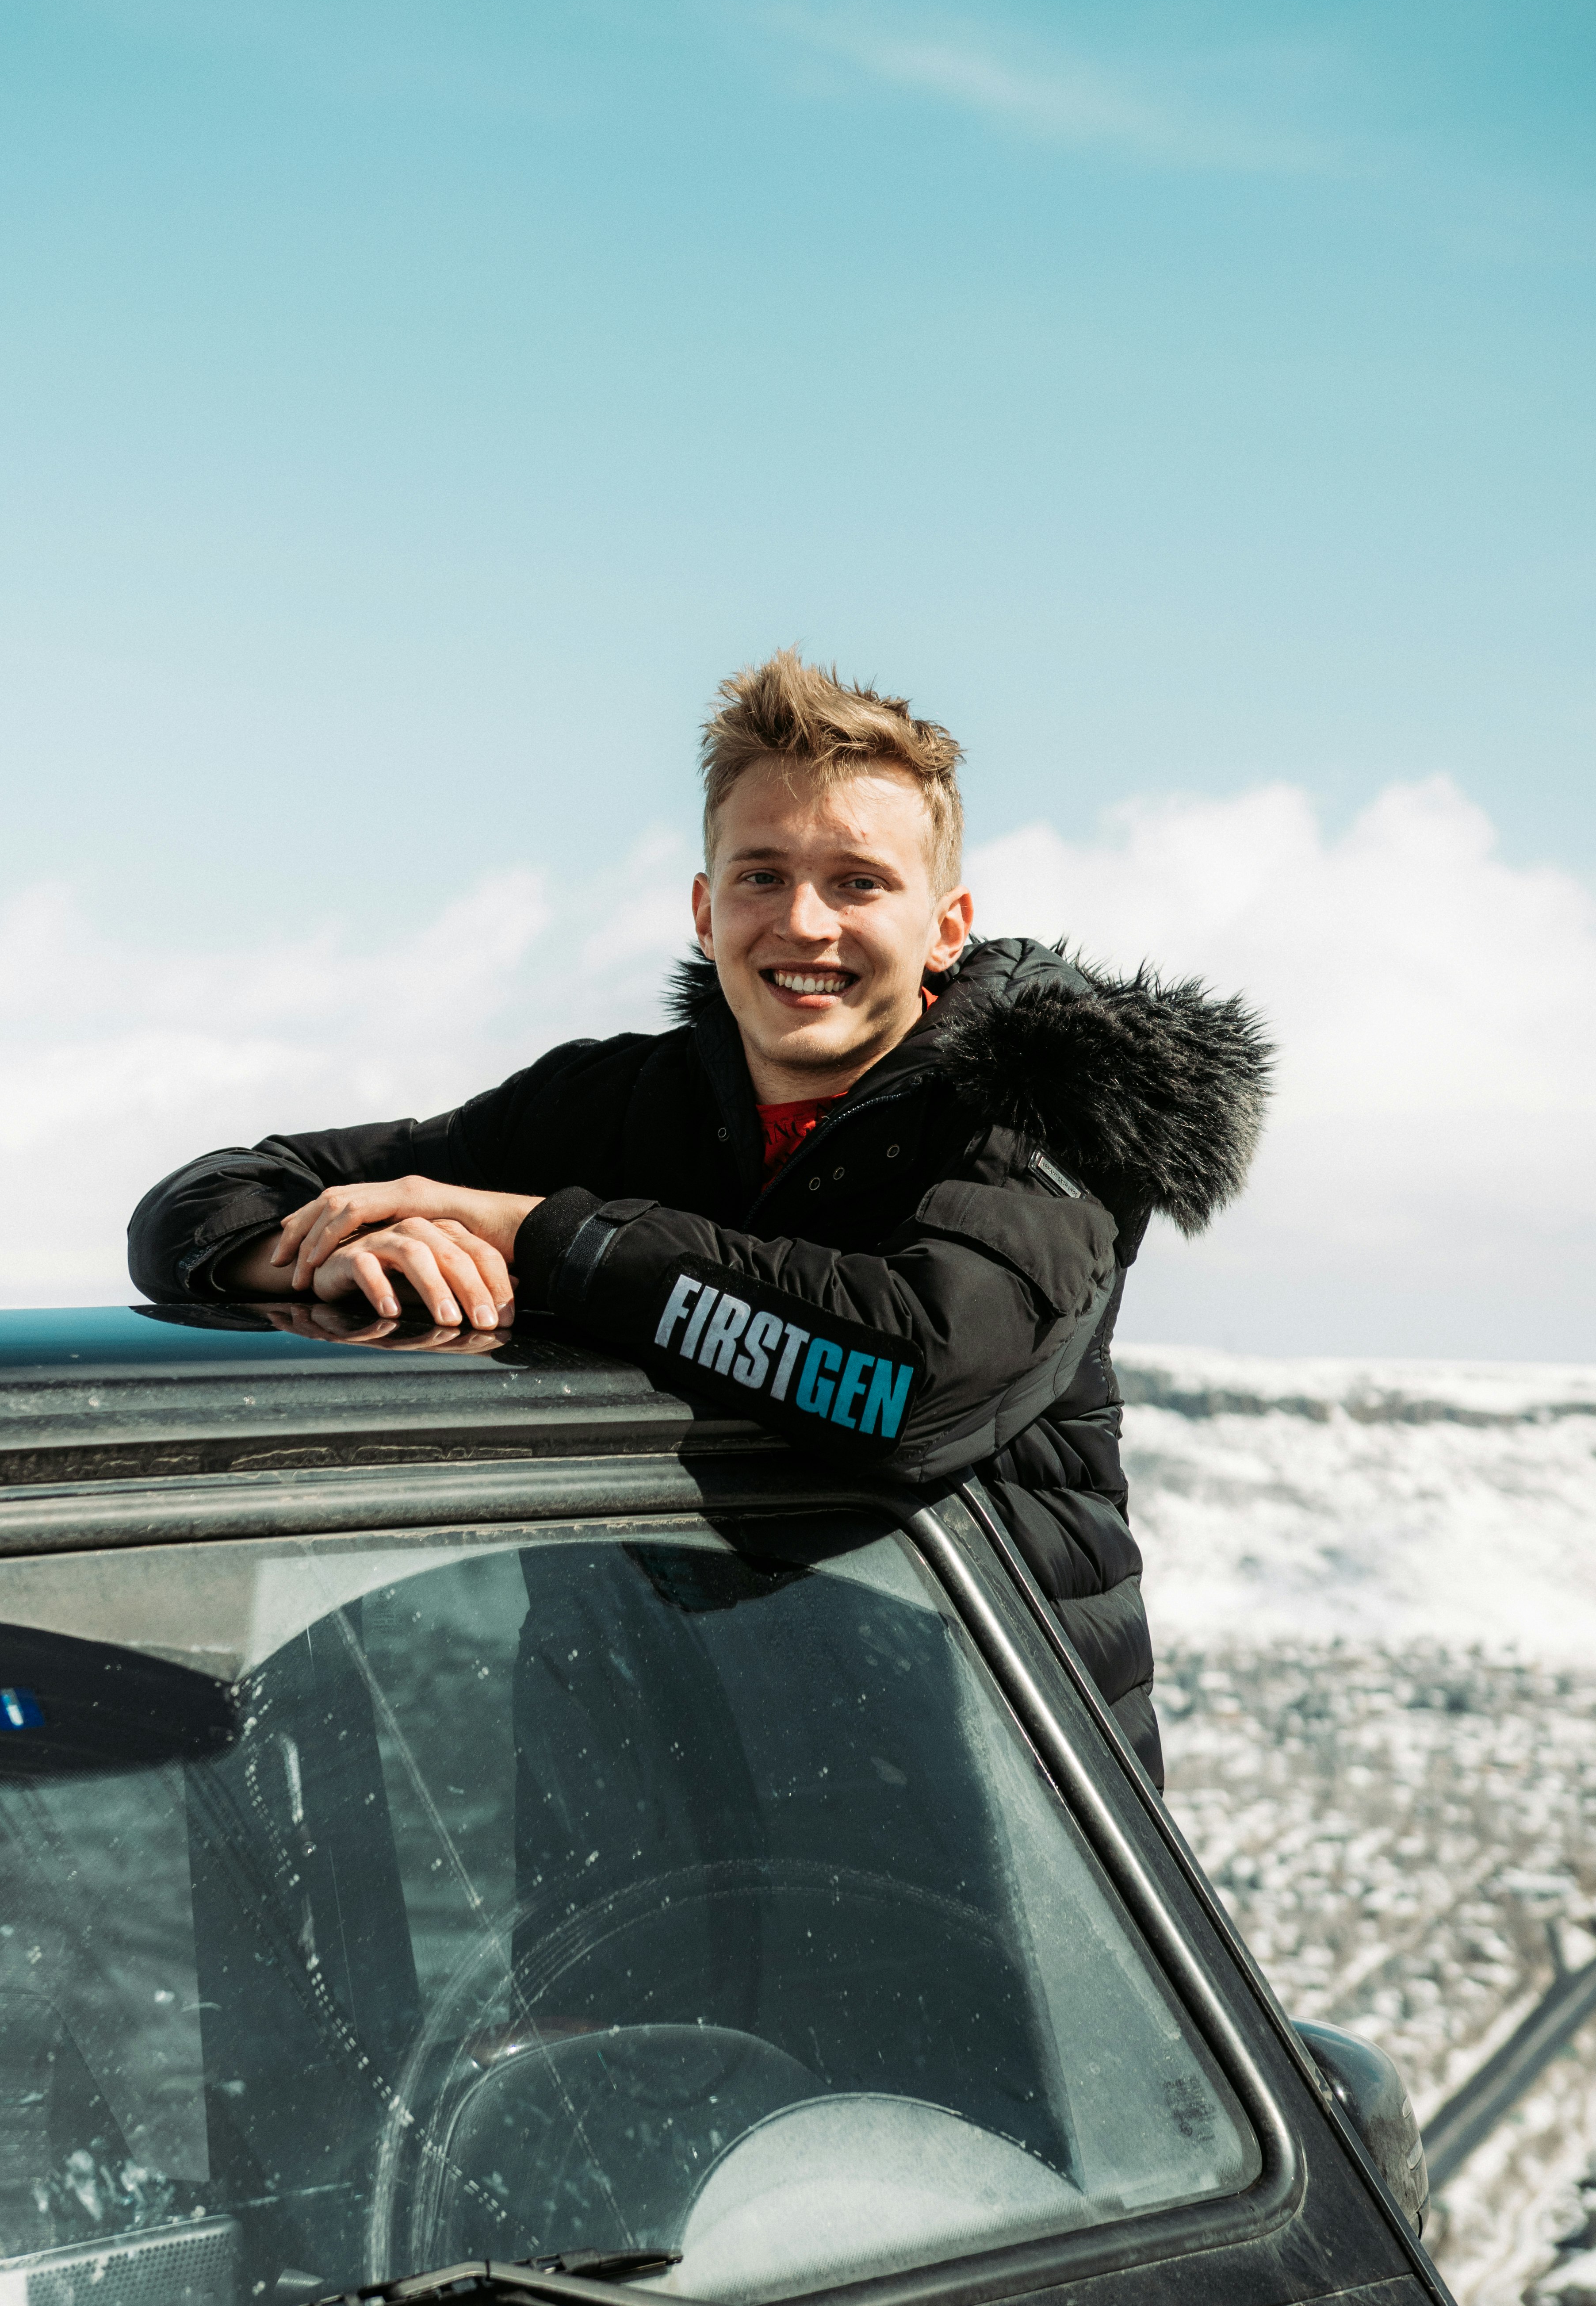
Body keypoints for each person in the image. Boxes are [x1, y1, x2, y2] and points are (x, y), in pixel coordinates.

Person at [127, 652, 1271, 1783]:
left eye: (858, 882)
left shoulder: (1040, 1116)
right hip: (651, 1819)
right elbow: (198, 1204)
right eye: (761, 876)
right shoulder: (616, 1105)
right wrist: (317, 1246)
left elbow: (907, 1384)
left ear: (946, 926)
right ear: (703, 906)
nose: (803, 923)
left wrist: (542, 1240)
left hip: (986, 1817)